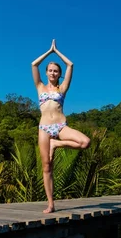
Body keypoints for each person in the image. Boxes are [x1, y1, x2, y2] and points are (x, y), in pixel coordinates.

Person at [32, 39, 90, 213]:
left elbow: (70, 64)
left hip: (60, 126)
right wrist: (48, 52)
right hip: (44, 128)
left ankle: (56, 143)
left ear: (59, 74)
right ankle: (51, 204)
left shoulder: (62, 88)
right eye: (50, 70)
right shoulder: (40, 86)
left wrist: (56, 52)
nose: (52, 73)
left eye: (56, 71)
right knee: (47, 166)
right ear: (47, 72)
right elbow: (34, 64)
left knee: (85, 142)